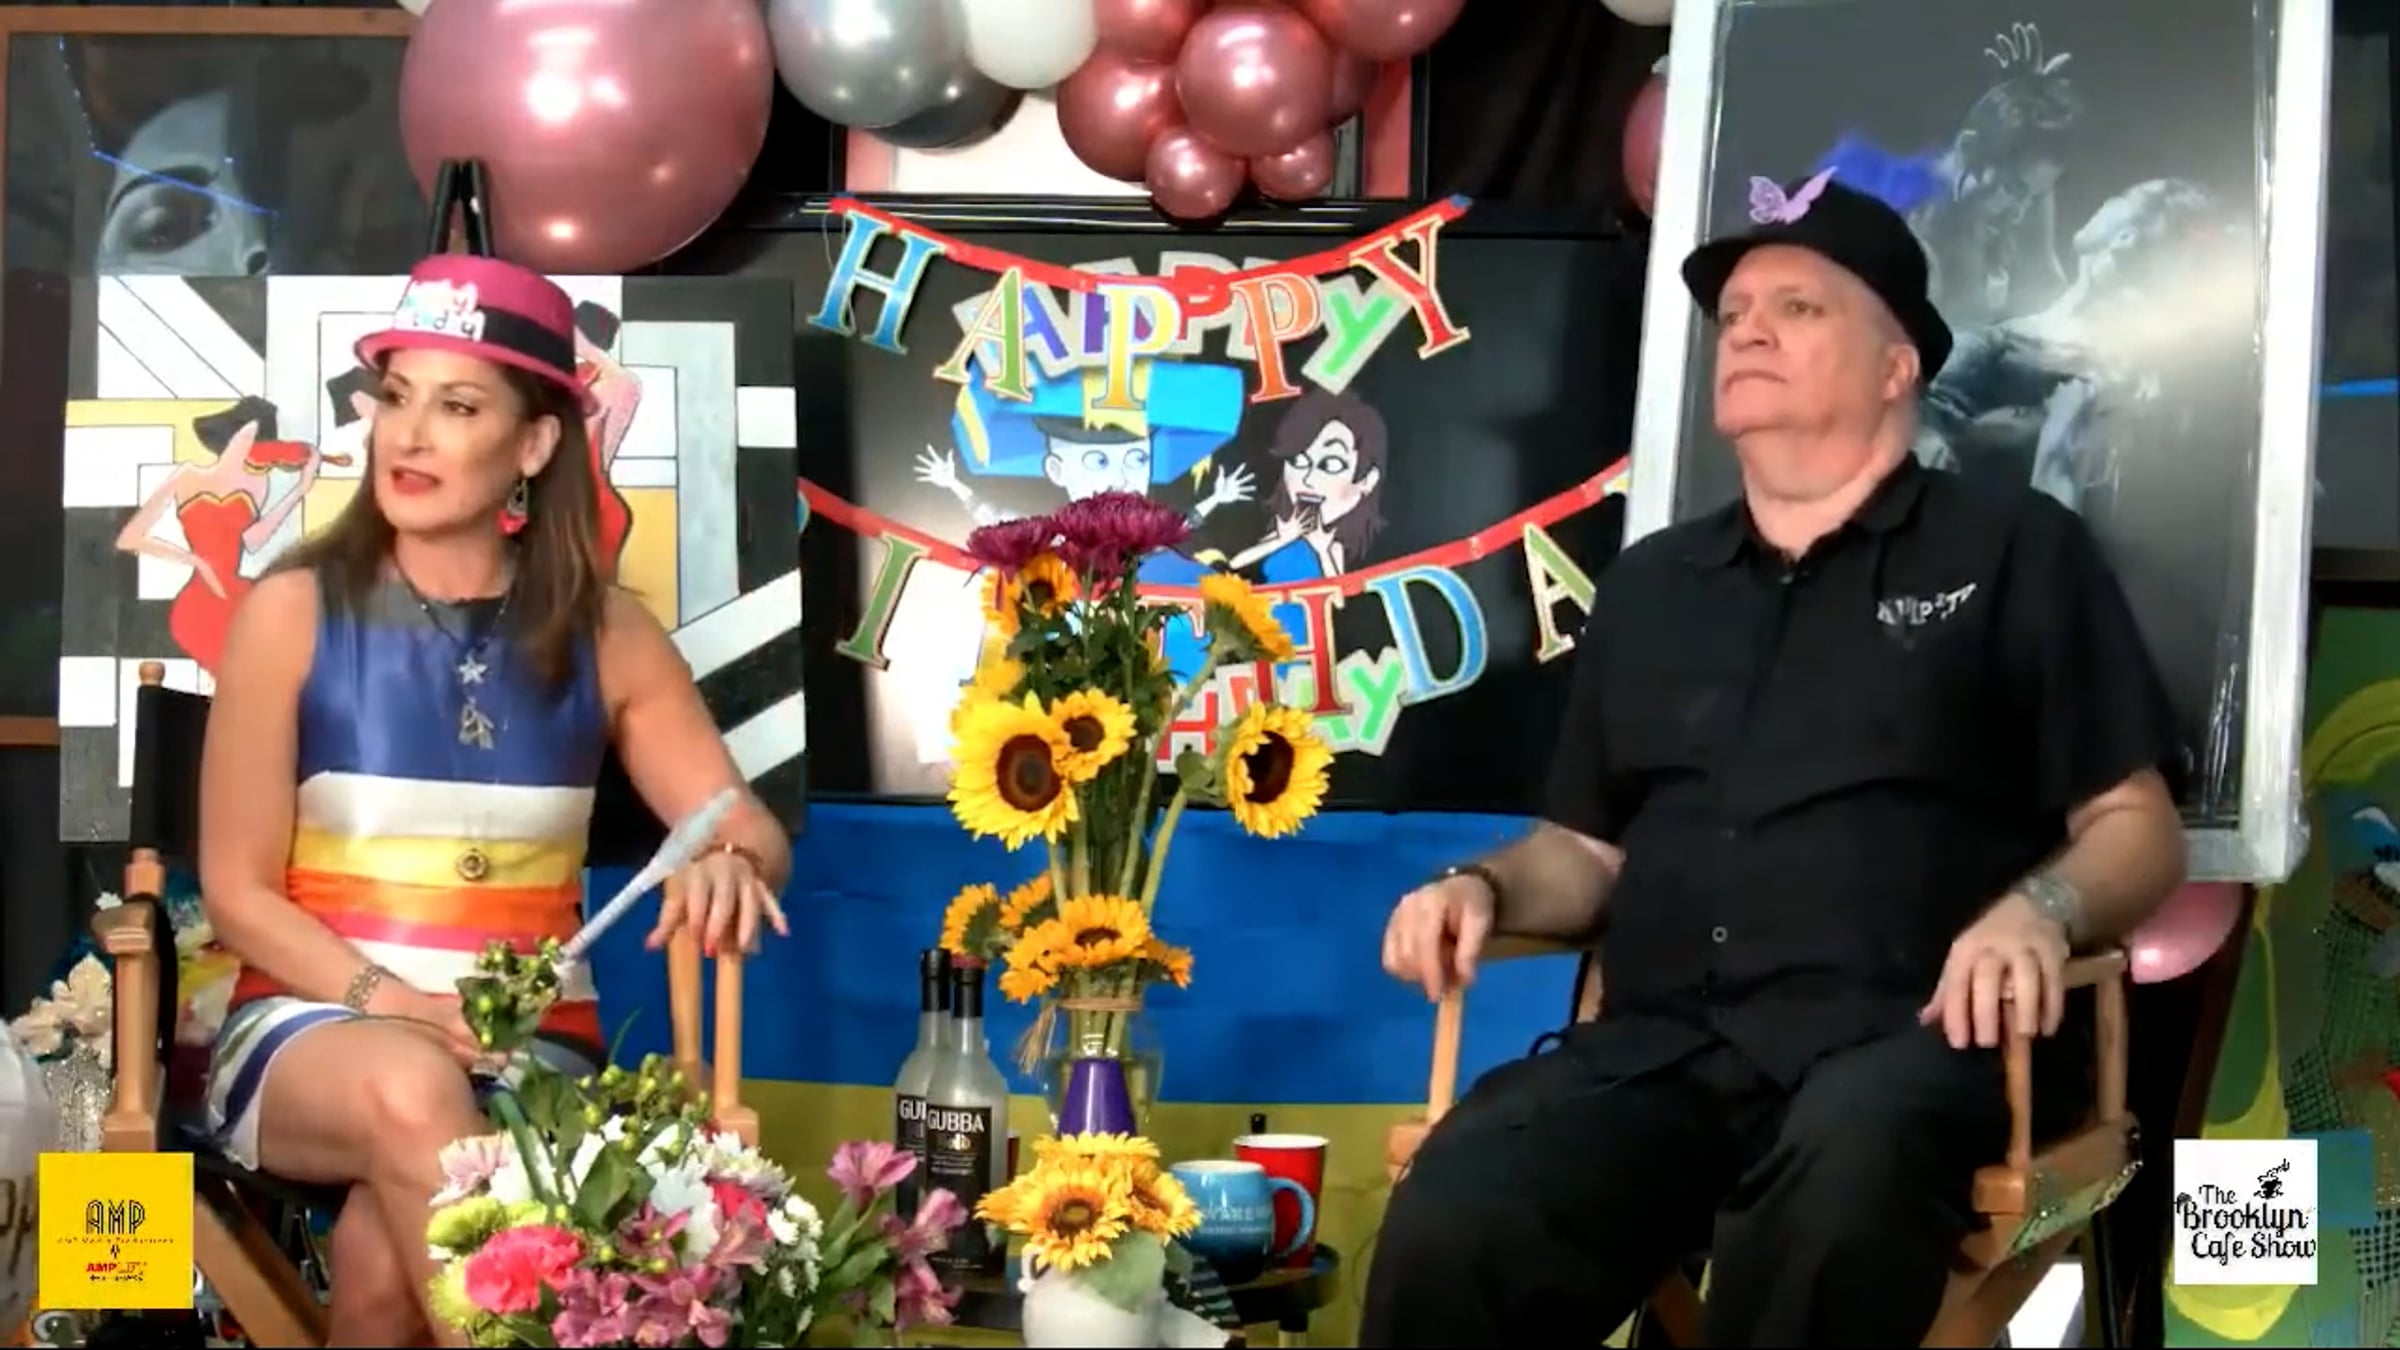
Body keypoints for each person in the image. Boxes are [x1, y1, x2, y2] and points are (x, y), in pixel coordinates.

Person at [1360, 178, 2189, 1345]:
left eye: (1798, 308)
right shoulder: (1654, 583)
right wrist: (1482, 886)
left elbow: (2136, 823)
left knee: (1839, 1184)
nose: (1747, 330)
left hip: (1915, 1049)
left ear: (1897, 366)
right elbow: (1585, 852)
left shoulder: (2014, 550)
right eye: (1736, 313)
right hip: (1662, 1059)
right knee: (1461, 1210)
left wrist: (2042, 910)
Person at [192, 253, 795, 1347]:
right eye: (396, 397)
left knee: (380, 1271)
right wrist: (399, 1003)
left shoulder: (611, 634)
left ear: (534, 445)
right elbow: (236, 892)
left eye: (458, 407)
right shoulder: (290, 611)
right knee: (416, 1092)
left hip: (533, 1050)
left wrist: (730, 861)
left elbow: (742, 825)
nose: (410, 435)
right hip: (308, 1030)